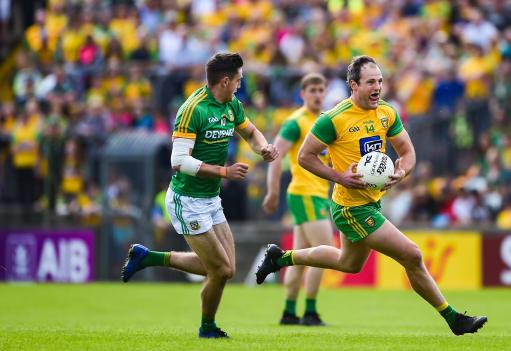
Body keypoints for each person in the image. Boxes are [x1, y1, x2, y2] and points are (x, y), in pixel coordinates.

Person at [256, 55, 487, 336]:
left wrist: (401, 172)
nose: (378, 86)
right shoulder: (334, 119)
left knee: (348, 264)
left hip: (372, 203)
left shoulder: (386, 112)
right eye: (370, 82)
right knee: (411, 255)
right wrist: (340, 177)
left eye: (380, 80)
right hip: (350, 208)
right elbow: (305, 156)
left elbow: (407, 152)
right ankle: (453, 319)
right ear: (354, 85)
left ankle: (281, 258)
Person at [121, 52, 278, 339]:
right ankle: (207, 328)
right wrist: (224, 172)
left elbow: (252, 132)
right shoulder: (193, 109)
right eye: (239, 80)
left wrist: (264, 148)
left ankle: (148, 258)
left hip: (210, 198)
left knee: (226, 268)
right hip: (187, 200)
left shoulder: (231, 104)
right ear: (225, 80)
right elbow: (178, 161)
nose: (241, 85)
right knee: (219, 271)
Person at [262, 73, 334, 326]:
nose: (317, 94)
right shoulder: (296, 122)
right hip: (305, 193)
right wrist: (272, 191)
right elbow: (275, 154)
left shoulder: (325, 121)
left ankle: (289, 312)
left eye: (320, 90)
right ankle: (311, 312)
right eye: (312, 90)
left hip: (316, 195)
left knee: (301, 257)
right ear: (302, 94)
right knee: (326, 253)